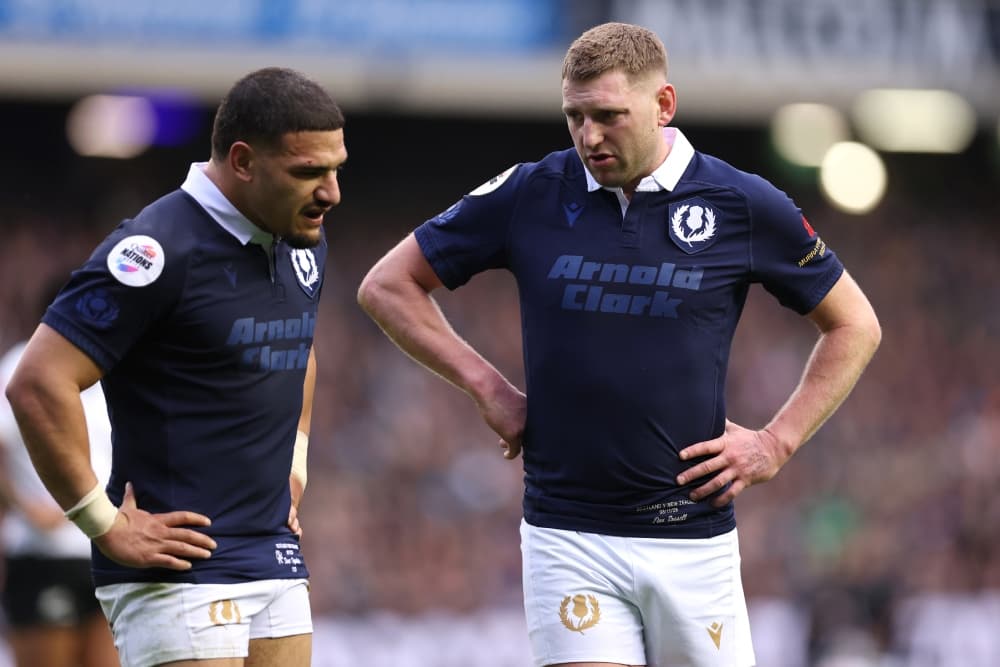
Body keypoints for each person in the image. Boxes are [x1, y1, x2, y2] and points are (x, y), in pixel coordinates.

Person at [357, 21, 880, 667]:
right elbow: (387, 284)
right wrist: (488, 386)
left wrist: (777, 440)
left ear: (664, 105)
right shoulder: (532, 191)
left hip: (693, 537)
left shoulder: (741, 203)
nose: (588, 137)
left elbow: (855, 323)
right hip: (566, 532)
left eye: (608, 116)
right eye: (574, 117)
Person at [5, 66, 347, 667]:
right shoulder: (157, 250)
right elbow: (37, 383)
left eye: (335, 168)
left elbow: (298, 347)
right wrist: (102, 523)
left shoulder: (302, 241)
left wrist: (295, 459)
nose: (331, 192)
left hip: (272, 550)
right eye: (308, 172)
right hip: (176, 562)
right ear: (242, 161)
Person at [0, 280, 118, 667]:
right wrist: (26, 506)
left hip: (110, 550)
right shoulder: (19, 366)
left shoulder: (109, 373)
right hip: (43, 553)